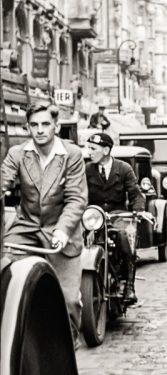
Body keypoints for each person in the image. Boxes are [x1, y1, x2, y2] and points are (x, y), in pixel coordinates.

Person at [2, 102, 88, 348]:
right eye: (34, 125)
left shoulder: (71, 154)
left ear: (56, 126)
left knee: (69, 300)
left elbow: (76, 198)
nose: (40, 130)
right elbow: (2, 182)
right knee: (5, 272)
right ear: (28, 127)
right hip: (26, 229)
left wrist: (62, 229)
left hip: (61, 231)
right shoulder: (17, 154)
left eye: (45, 124)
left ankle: (68, 347)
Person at [85, 132, 146, 304]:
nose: (89, 152)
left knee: (125, 237)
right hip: (93, 217)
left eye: (93, 148)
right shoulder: (86, 169)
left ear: (106, 150)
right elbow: (79, 194)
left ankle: (129, 287)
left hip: (117, 216)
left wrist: (138, 210)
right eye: (88, 148)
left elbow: (135, 193)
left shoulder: (124, 168)